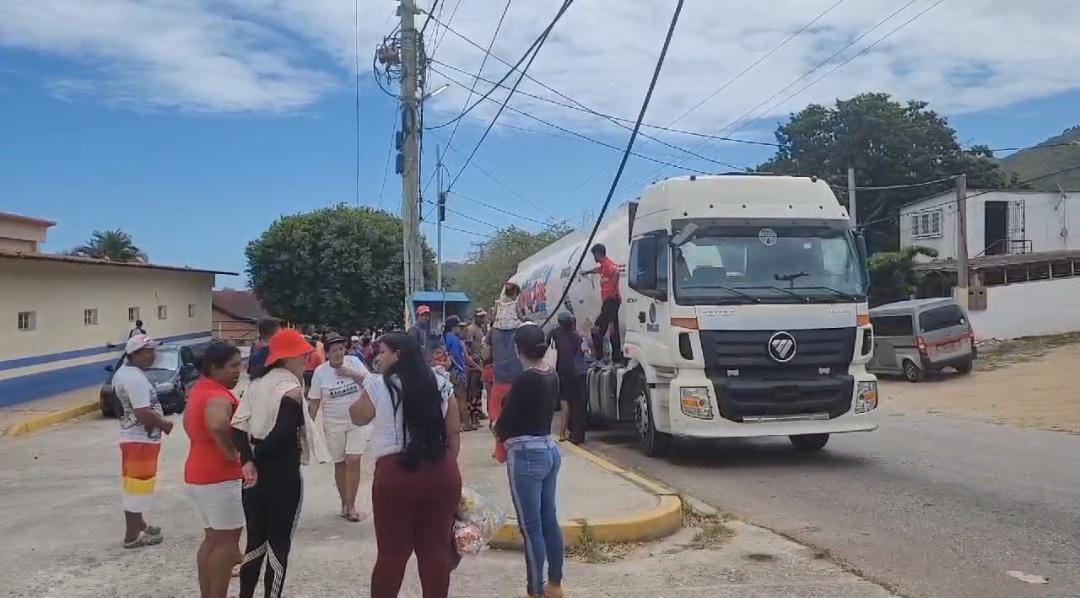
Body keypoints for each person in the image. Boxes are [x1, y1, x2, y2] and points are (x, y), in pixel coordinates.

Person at [348, 333, 462, 598]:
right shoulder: (441, 383)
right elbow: (454, 432)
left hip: (396, 472)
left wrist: (364, 384)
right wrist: (448, 467)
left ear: (397, 355)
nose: (377, 357)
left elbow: (357, 417)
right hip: (441, 468)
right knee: (435, 551)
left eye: (382, 352)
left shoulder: (378, 385)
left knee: (392, 554)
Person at [231, 328, 313, 598]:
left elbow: (238, 427)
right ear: (286, 358)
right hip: (283, 470)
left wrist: (249, 460)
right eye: (302, 354)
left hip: (255, 470)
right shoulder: (291, 389)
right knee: (279, 544)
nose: (307, 358)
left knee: (255, 540)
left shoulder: (255, 384)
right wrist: (260, 456)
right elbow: (283, 433)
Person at [495, 324, 566, 598]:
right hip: (547, 447)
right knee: (549, 519)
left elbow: (505, 422)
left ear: (517, 349)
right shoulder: (551, 374)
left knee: (531, 527)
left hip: (525, 453)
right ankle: (555, 584)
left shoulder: (526, 380)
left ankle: (535, 590)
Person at [184, 340, 251, 598]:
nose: (239, 370)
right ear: (214, 367)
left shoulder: (200, 390)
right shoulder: (216, 395)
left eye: (241, 364)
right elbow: (217, 424)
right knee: (227, 544)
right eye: (233, 366)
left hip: (198, 475)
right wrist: (234, 454)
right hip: (220, 478)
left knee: (212, 540)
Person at [114, 334, 173, 548]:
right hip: (140, 441)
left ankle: (139, 525)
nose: (153, 355)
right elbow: (143, 413)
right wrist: (165, 424)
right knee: (138, 489)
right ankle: (132, 536)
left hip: (135, 439)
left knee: (136, 486)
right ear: (135, 354)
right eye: (148, 351)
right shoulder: (134, 378)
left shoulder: (125, 373)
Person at [307, 332, 372, 522]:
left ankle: (352, 506)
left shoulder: (354, 363)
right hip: (333, 422)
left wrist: (353, 374)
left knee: (353, 458)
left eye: (341, 349)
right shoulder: (320, 372)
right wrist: (307, 426)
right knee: (340, 462)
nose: (338, 354)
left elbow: (372, 384)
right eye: (334, 350)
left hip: (357, 421)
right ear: (326, 353)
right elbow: (314, 401)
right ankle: (344, 503)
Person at [486, 290, 525, 463]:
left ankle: (500, 453)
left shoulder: (492, 333)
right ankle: (517, 451)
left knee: (497, 418)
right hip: (518, 380)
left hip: (500, 379)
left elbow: (485, 353)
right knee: (519, 418)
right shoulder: (521, 331)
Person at [549, 313, 588, 445]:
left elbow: (547, 346)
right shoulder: (577, 336)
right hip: (578, 373)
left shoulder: (556, 333)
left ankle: (564, 432)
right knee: (578, 404)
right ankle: (577, 435)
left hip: (564, 373)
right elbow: (585, 352)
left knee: (566, 402)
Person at [582, 243, 623, 363]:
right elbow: (597, 270)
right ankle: (616, 357)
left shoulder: (608, 264)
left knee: (596, 330)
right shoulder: (603, 266)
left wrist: (612, 290)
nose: (594, 258)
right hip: (611, 302)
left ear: (598, 254)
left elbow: (615, 271)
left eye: (594, 255)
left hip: (611, 301)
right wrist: (587, 272)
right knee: (612, 330)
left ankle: (599, 357)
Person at [443, 316, 479, 432]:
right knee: (462, 399)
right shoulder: (455, 340)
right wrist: (462, 368)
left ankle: (456, 424)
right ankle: (467, 424)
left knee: (452, 400)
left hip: (448, 372)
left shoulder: (445, 338)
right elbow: (457, 357)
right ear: (454, 327)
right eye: (459, 326)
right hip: (457, 371)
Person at [465, 310, 489, 422]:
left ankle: (478, 411)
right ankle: (472, 414)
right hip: (474, 362)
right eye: (481, 317)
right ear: (476, 317)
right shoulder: (471, 329)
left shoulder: (482, 329)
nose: (483, 319)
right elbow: (468, 346)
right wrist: (473, 358)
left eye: (483, 316)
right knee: (473, 389)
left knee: (479, 388)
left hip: (481, 361)